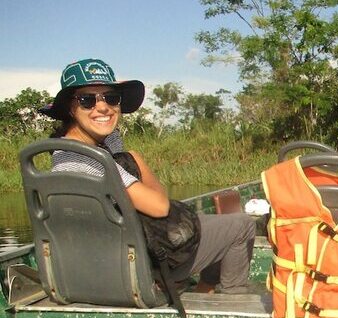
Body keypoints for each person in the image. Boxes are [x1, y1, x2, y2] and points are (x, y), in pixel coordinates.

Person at [40, 58, 255, 294]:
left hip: (104, 258)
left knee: (205, 223)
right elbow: (160, 207)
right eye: (87, 100)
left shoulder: (64, 150)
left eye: (111, 98)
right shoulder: (92, 160)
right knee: (241, 225)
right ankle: (230, 297)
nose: (102, 108)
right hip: (135, 267)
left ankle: (203, 289)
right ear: (71, 108)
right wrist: (136, 159)